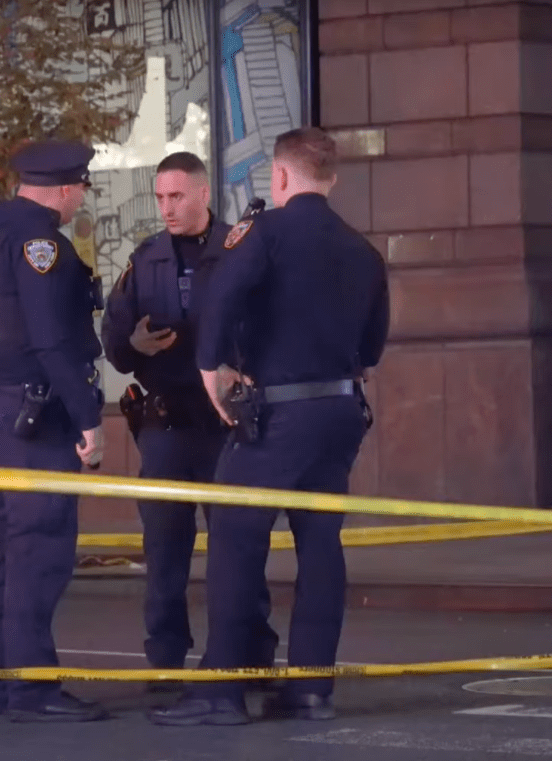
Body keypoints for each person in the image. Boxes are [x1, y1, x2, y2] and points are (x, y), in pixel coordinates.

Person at [149, 126, 389, 727]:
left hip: (277, 413)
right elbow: (372, 347)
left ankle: (220, 692)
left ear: (279, 176)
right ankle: (310, 690)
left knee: (235, 538)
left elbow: (221, 298)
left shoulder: (264, 232)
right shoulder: (362, 250)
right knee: (321, 544)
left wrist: (212, 371)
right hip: (340, 411)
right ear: (331, 177)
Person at [100, 151, 278, 687]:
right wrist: (132, 346)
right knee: (164, 553)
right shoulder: (146, 258)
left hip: (226, 427)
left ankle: (250, 657)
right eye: (160, 197)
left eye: (176, 196)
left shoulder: (239, 249)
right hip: (166, 426)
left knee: (239, 547)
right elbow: (114, 340)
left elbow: (269, 326)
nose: (167, 207)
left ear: (203, 193)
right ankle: (166, 663)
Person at [0, 138, 107, 723]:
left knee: (3, 551)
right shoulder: (40, 245)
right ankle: (34, 691)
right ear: (65, 188)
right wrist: (88, 417)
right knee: (38, 553)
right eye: (81, 189)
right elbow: (50, 339)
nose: (80, 200)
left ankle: (0, 685)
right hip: (33, 417)